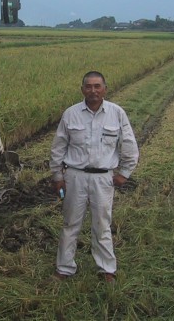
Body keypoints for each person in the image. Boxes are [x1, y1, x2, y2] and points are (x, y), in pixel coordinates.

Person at [49, 71, 139, 282]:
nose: (93, 91)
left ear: (105, 89)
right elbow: (58, 147)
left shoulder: (116, 113)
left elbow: (129, 145)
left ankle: (107, 269)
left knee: (102, 224)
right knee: (70, 224)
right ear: (82, 90)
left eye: (97, 86)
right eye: (88, 86)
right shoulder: (70, 114)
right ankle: (64, 268)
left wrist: (124, 173)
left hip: (103, 179)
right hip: (74, 177)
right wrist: (57, 176)